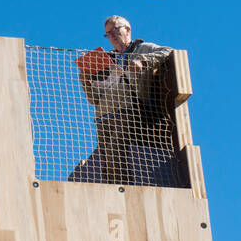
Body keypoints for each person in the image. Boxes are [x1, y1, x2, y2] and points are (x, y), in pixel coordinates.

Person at [69, 16, 174, 185]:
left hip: (128, 109)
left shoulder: (141, 48)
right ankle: (113, 191)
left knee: (116, 150)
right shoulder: (105, 59)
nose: (112, 36)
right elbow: (95, 100)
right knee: (106, 159)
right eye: (108, 34)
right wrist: (86, 83)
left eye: (115, 30)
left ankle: (122, 189)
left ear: (128, 29)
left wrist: (143, 61)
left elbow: (168, 51)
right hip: (103, 116)